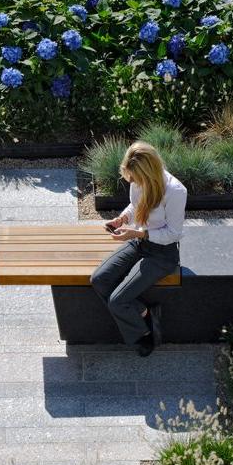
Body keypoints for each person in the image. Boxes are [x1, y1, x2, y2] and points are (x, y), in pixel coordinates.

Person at [90, 141, 186, 357]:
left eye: (134, 178)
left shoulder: (175, 191)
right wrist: (123, 218)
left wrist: (137, 233)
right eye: (130, 178)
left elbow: (174, 233)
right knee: (99, 279)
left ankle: (143, 334)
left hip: (163, 253)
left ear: (147, 172)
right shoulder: (138, 180)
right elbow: (135, 205)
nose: (132, 182)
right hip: (139, 242)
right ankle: (143, 312)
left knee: (117, 301)